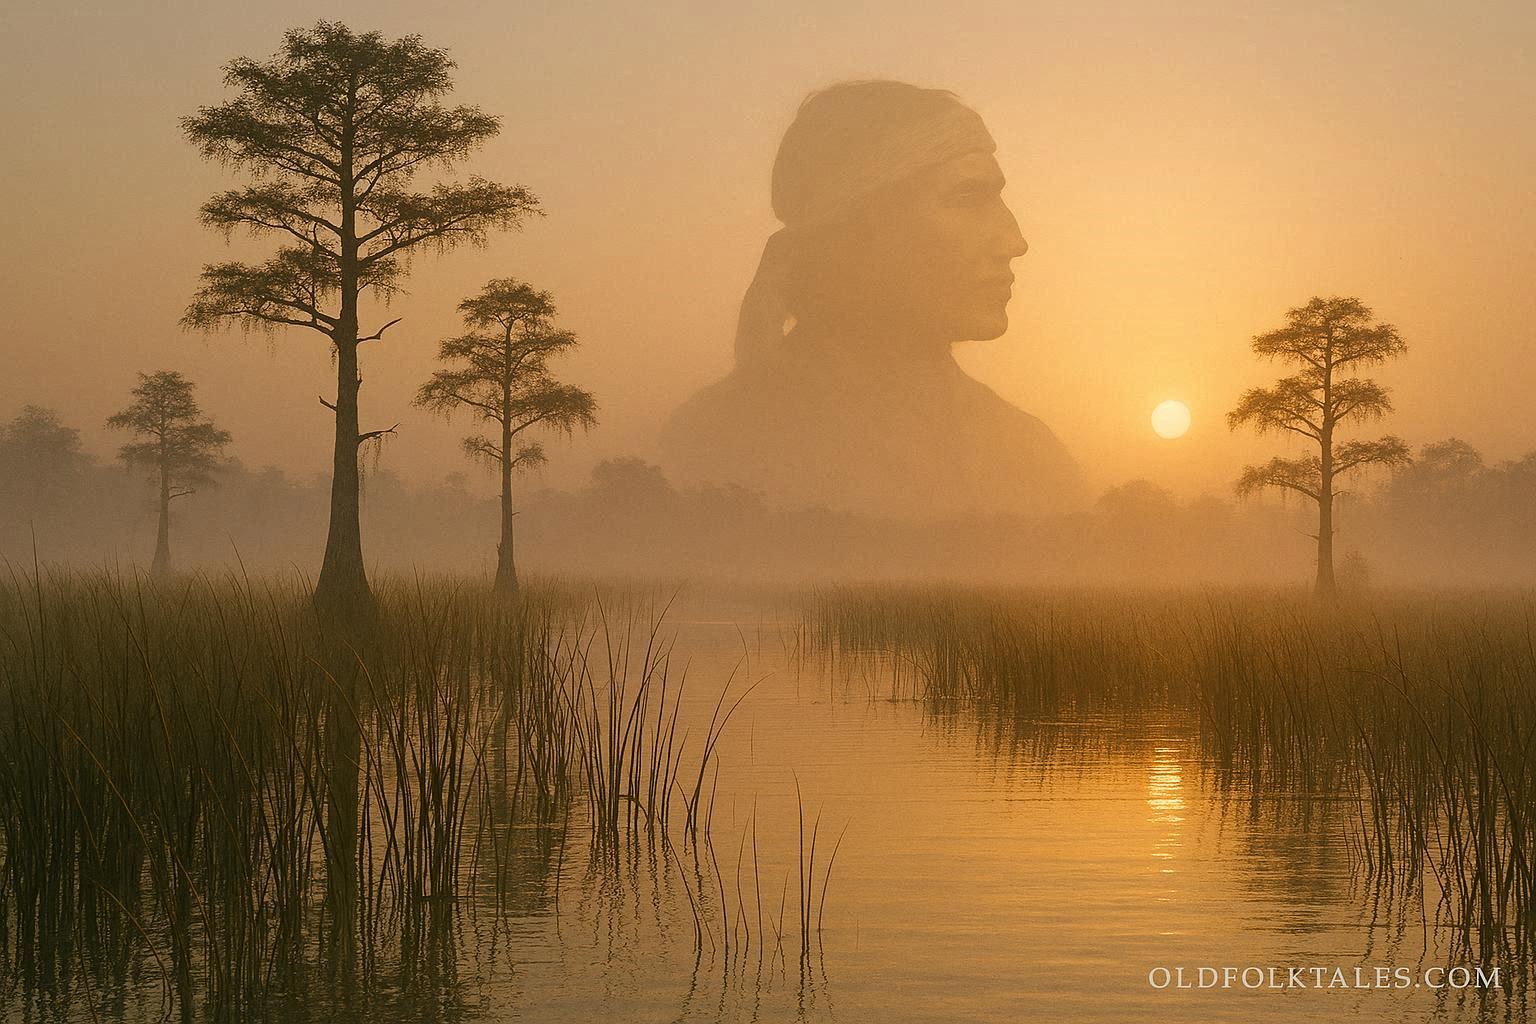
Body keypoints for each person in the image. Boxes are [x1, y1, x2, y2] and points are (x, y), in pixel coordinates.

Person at [659, 80, 1085, 519]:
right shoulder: (713, 447)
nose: (1014, 241)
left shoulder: (1028, 455)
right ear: (854, 228)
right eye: (966, 198)